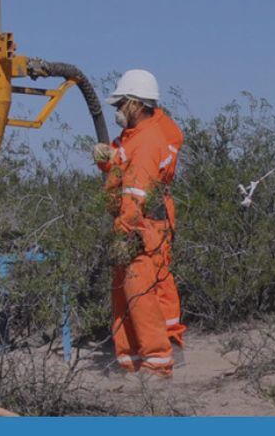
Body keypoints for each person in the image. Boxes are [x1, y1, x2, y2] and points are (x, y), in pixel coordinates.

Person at [91, 69, 179, 376]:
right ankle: (130, 361)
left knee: (140, 296)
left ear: (135, 104)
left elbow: (136, 192)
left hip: (139, 227)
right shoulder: (137, 136)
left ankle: (158, 364)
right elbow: (122, 162)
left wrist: (123, 233)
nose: (117, 111)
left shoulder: (147, 141)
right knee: (125, 295)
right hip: (136, 224)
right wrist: (107, 158)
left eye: (120, 105)